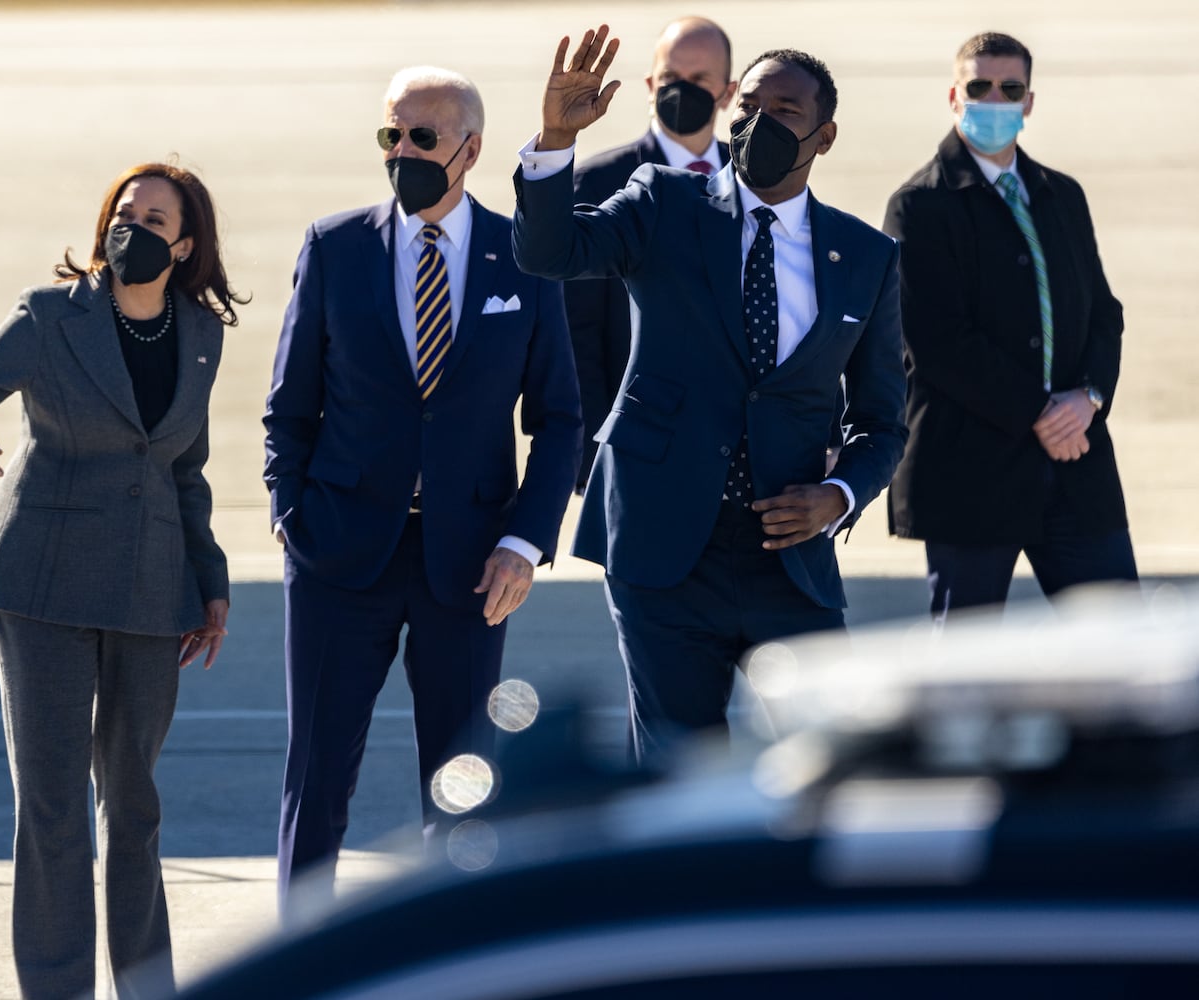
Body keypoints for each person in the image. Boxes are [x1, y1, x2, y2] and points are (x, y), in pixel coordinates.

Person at [513, 28, 907, 760]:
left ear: (823, 136)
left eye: (783, 110)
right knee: (676, 772)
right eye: (747, 104)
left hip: (787, 554)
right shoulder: (664, 202)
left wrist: (840, 496)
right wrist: (553, 141)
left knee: (834, 764)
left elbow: (882, 421)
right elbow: (550, 253)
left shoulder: (865, 258)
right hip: (663, 550)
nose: (757, 122)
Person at [264, 65, 581, 908]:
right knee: (317, 776)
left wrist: (522, 541)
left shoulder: (526, 260)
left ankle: (456, 955)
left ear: (469, 149)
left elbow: (559, 420)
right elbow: (288, 408)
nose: (400, 152)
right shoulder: (335, 247)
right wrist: (291, 518)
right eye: (389, 136)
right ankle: (299, 958)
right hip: (339, 559)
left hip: (469, 568)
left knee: (463, 785)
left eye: (421, 138)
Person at [0, 162, 241, 1000]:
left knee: (134, 808)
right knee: (55, 807)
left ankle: (146, 986)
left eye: (153, 217)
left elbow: (187, 472)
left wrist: (211, 584)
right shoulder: (48, 315)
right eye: (122, 213)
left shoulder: (200, 334)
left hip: (151, 588)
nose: (130, 228)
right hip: (43, 585)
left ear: (185, 242)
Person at [882, 31, 1137, 620]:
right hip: (972, 477)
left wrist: (1090, 397)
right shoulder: (918, 206)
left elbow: (1105, 314)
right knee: (965, 673)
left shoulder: (1061, 194)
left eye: (1009, 88)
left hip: (1077, 469)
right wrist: (1042, 412)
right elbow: (937, 341)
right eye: (979, 86)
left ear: (1028, 102)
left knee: (1120, 654)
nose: (994, 99)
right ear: (953, 96)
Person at [564, 16, 737, 490]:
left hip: (740, 449)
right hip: (638, 446)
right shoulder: (599, 181)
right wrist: (595, 449)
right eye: (670, 78)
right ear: (649, 85)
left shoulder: (754, 177)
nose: (682, 90)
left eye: (700, 80)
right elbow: (576, 332)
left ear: (727, 92)